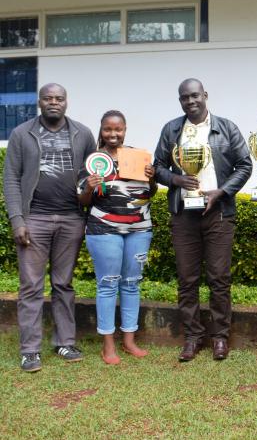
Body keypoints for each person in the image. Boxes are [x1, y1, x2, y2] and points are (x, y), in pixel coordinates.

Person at [153, 78, 252, 362]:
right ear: (180, 100)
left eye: (195, 95)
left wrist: (221, 192)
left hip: (218, 214)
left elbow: (245, 164)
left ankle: (220, 337)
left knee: (219, 278)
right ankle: (193, 337)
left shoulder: (227, 127)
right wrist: (175, 178)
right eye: (184, 97)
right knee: (187, 279)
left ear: (205, 95)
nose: (190, 101)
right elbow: (157, 166)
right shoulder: (172, 129)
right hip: (184, 214)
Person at [3, 83, 96, 372]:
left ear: (66, 102)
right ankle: (30, 350)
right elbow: (11, 180)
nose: (53, 102)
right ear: (40, 102)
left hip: (71, 219)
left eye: (59, 98)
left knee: (63, 284)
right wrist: (17, 220)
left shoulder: (82, 133)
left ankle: (65, 342)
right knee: (31, 286)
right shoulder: (21, 134)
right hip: (35, 219)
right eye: (48, 98)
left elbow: (92, 173)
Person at [78, 110, 158, 365]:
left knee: (132, 283)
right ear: (100, 130)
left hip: (139, 229)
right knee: (108, 284)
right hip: (104, 230)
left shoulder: (136, 156)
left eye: (118, 129)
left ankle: (129, 340)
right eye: (108, 129)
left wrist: (152, 177)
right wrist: (89, 186)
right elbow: (82, 201)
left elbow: (149, 192)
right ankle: (108, 344)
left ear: (125, 130)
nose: (113, 134)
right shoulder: (93, 160)